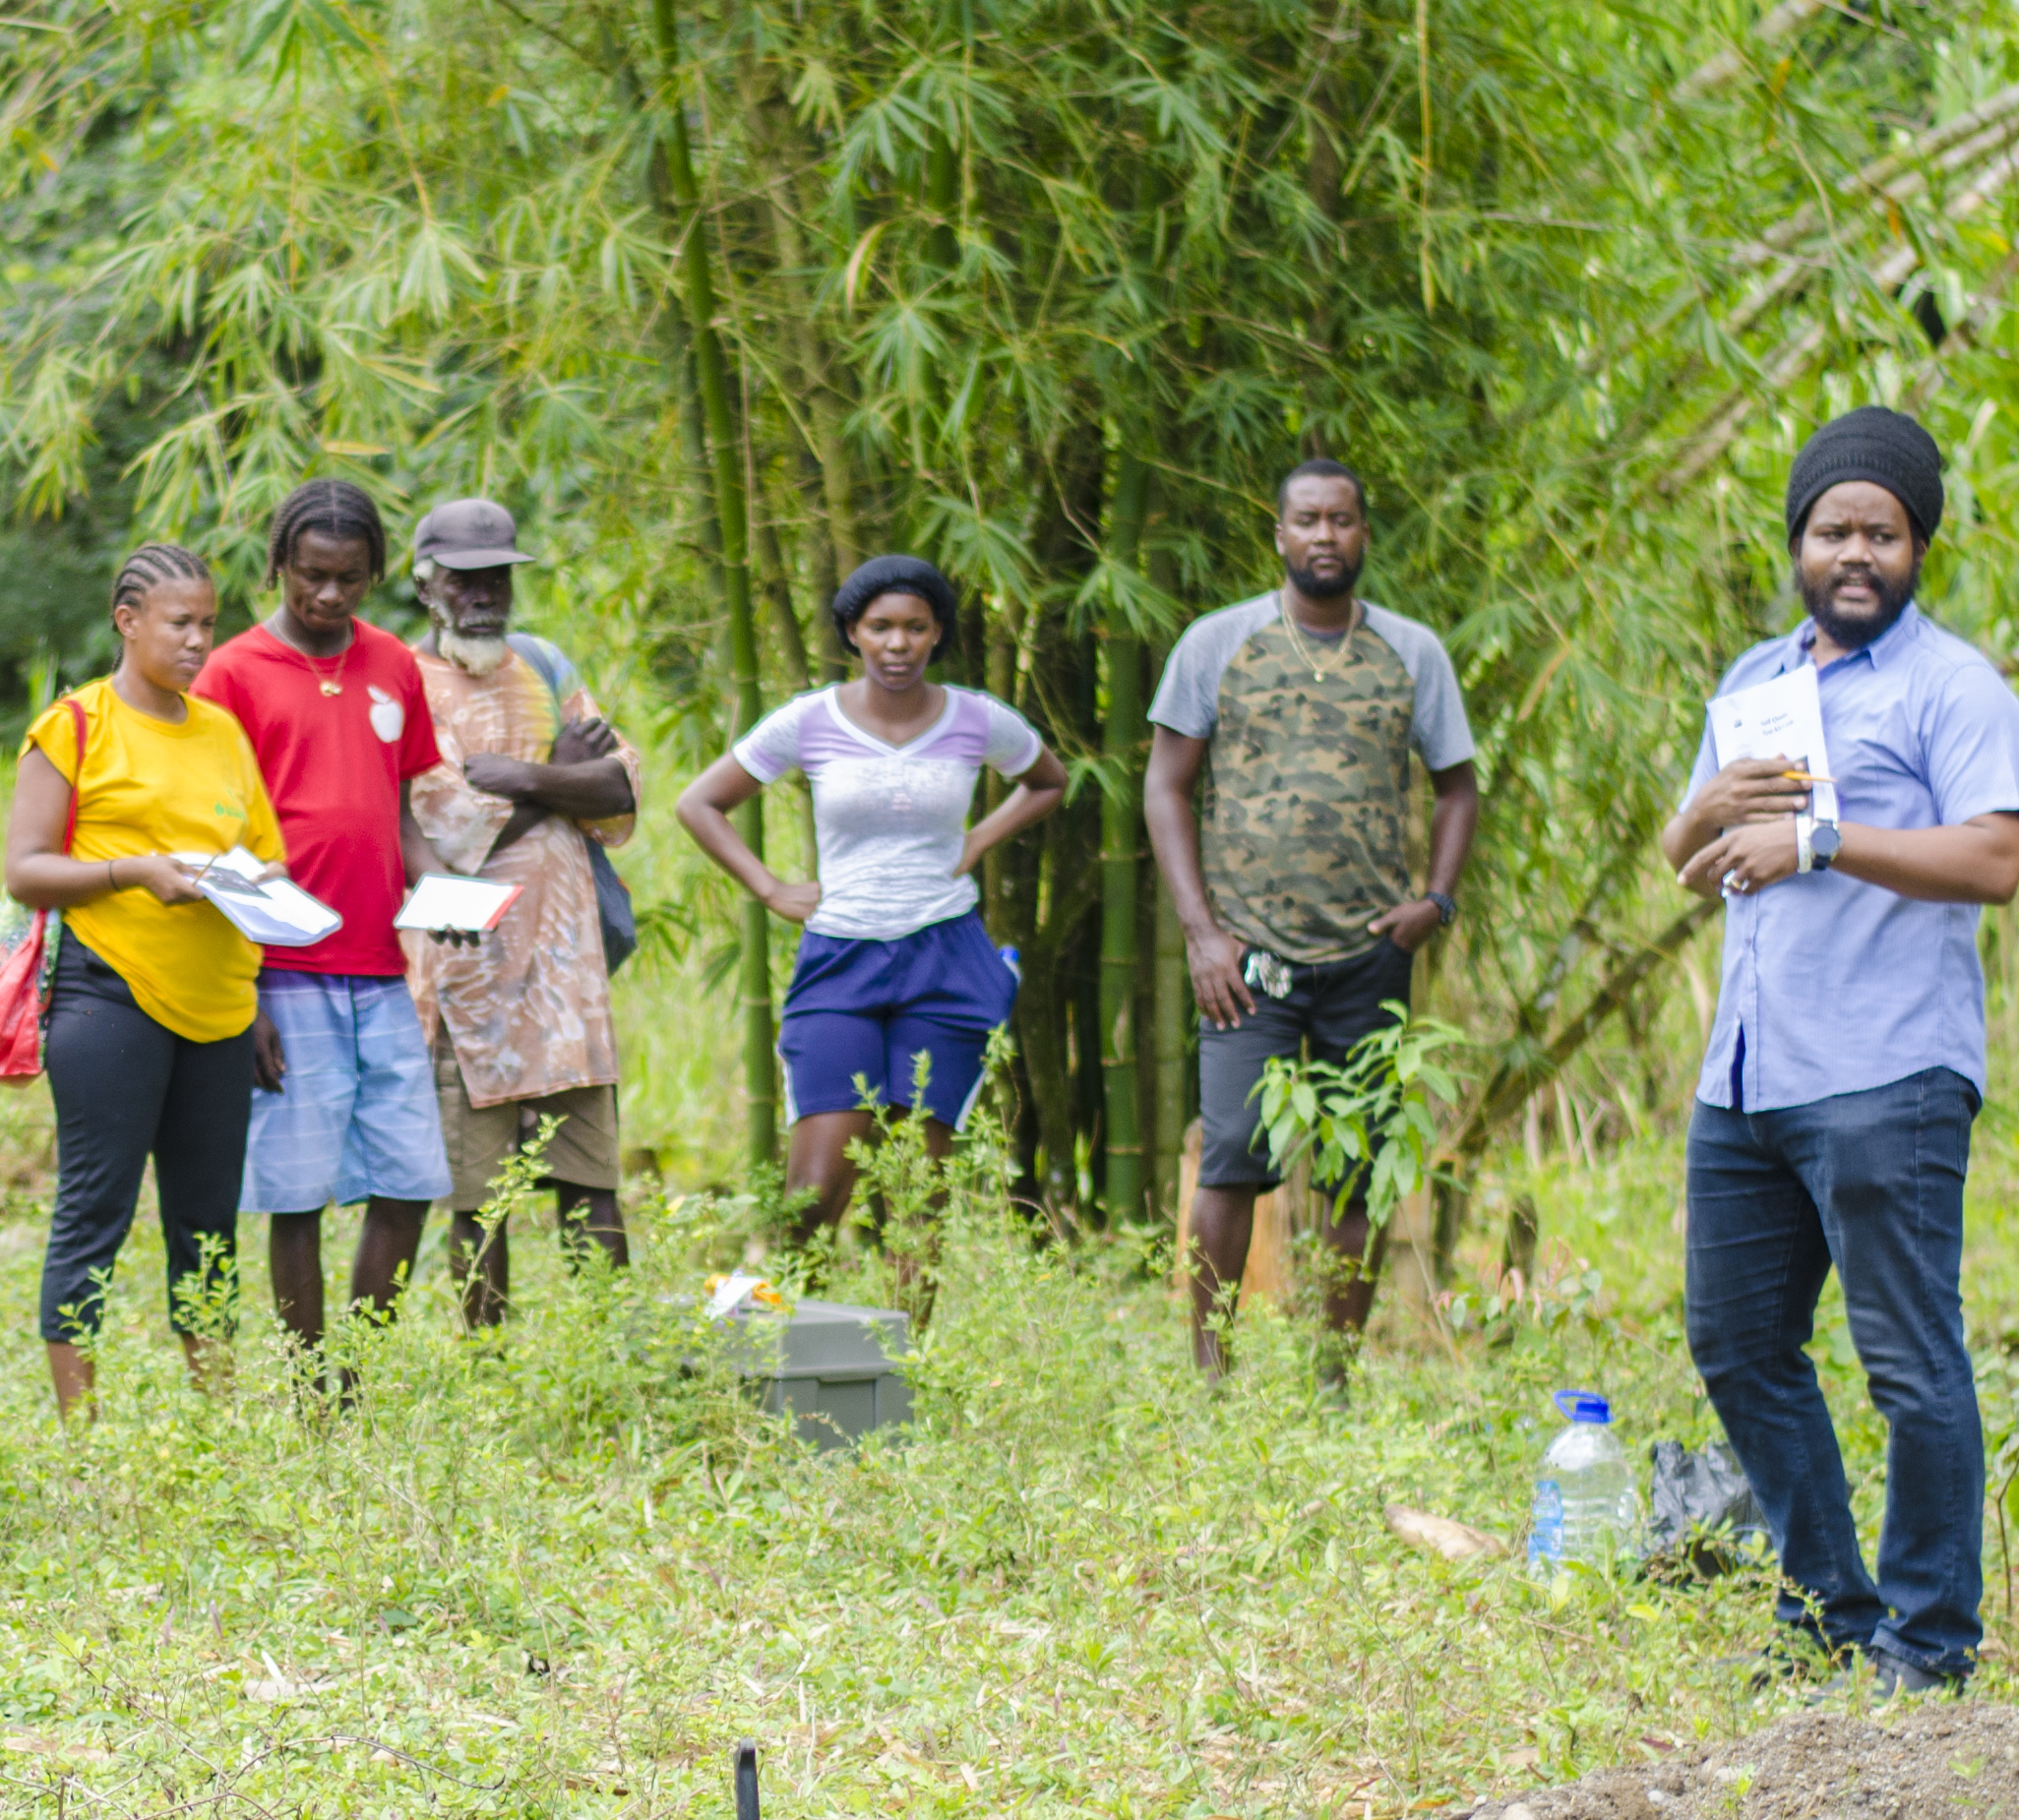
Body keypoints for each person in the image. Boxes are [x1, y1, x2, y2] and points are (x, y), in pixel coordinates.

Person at [1661, 404, 2019, 1694]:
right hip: (1750, 1074)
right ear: (1800, 544)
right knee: (1737, 1344)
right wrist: (1705, 813)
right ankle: (1825, 1605)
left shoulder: (1954, 688)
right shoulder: (1754, 685)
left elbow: (1997, 857)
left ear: (1919, 544)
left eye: (1882, 531)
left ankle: (1928, 1644)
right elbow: (1690, 863)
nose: (1856, 553)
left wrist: (1825, 841)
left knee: (1910, 1359)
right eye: (1834, 531)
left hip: (1888, 1075)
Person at [1142, 456, 1485, 1371]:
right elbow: (1165, 788)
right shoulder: (1217, 644)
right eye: (1308, 520)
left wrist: (1434, 903)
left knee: (1356, 1170)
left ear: (1365, 534)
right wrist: (1202, 935)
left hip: (1369, 950)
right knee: (1231, 1156)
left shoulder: (1412, 651)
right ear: (1280, 534)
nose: (1325, 536)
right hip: (1245, 957)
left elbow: (1458, 788)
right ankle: (1211, 1375)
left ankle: (1331, 1372)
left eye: (1342, 520)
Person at [673, 555, 1066, 1257]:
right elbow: (699, 802)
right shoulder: (808, 720)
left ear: (937, 633)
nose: (897, 644)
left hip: (944, 955)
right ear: (851, 632)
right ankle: (792, 1350)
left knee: (916, 1194)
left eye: (916, 628)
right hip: (841, 955)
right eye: (880, 627)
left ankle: (898, 1365)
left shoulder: (976, 718)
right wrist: (769, 887)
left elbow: (1047, 781)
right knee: (814, 1194)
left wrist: (976, 840)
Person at [5, 543, 284, 1409]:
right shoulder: (76, 726)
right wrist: (135, 872)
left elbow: (265, 859)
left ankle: (218, 1423)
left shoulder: (224, 733)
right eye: (180, 624)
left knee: (208, 1228)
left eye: (209, 623)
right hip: (110, 996)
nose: (200, 641)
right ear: (128, 624)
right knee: (96, 1215)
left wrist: (257, 893)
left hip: (219, 1008)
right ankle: (79, 1434)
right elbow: (26, 870)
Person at [206, 479, 471, 1345]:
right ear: (279, 562)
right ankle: (312, 1386)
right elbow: (212, 841)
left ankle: (357, 1369)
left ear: (375, 575)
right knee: (297, 1192)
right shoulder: (232, 673)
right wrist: (241, 995)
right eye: (310, 576)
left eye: (348, 579)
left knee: (408, 1179)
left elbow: (400, 813)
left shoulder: (393, 662)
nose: (326, 595)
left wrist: (440, 894)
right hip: (281, 974)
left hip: (380, 970)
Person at [403, 498, 638, 1328]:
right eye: (465, 579)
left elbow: (617, 787)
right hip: (465, 969)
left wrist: (524, 775)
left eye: (496, 575)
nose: (484, 593)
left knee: (591, 1178)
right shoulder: (403, 680)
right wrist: (559, 775)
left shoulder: (544, 664)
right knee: (480, 1197)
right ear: (426, 585)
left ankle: (612, 1355)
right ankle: (490, 1369)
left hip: (568, 968)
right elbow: (442, 824)